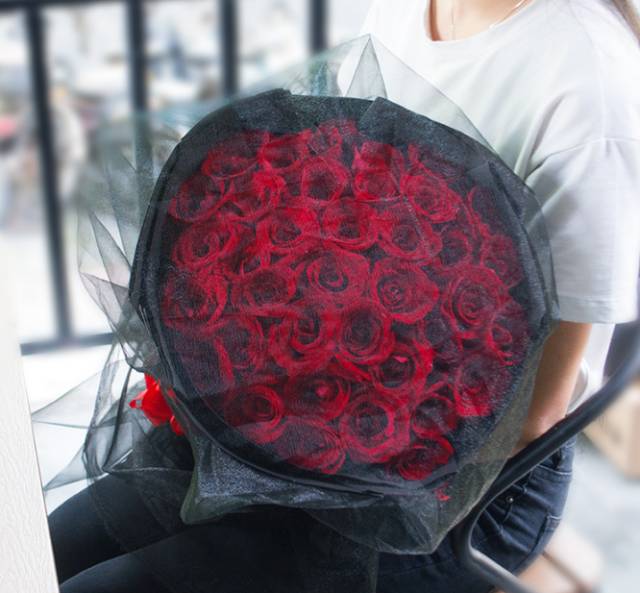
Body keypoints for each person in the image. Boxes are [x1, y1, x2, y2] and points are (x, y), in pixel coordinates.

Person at [48, 1, 640, 592]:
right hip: (307, 403)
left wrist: (327, 451)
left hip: (460, 483)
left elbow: (537, 413)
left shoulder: (590, 90)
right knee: (46, 550)